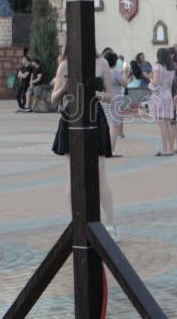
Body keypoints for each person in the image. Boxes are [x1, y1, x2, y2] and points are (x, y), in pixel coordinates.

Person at [51, 49, 119, 241]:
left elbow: (110, 95)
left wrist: (96, 93)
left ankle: (111, 224)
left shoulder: (102, 64)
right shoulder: (65, 65)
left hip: (95, 117)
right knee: (73, 175)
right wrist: (64, 87)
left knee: (100, 174)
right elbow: (53, 99)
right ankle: (77, 222)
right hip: (71, 118)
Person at [149, 48, 175, 156]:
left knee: (161, 125)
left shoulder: (157, 67)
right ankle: (170, 148)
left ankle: (164, 149)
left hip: (159, 96)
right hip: (168, 95)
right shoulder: (171, 68)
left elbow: (155, 82)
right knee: (168, 123)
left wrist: (149, 79)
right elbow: (170, 84)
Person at [103, 51, 127, 157]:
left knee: (108, 124)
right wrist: (126, 74)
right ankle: (111, 150)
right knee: (115, 125)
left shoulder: (103, 71)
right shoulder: (115, 72)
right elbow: (124, 83)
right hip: (115, 99)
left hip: (104, 98)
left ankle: (105, 149)